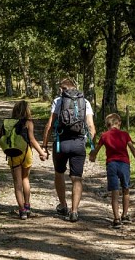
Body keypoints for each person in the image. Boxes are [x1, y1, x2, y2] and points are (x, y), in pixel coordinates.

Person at [42, 78, 96, 222]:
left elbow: (49, 125)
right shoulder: (85, 102)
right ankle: (74, 211)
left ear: (62, 89)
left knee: (59, 173)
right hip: (78, 143)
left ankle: (63, 205)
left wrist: (45, 146)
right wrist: (87, 143)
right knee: (76, 178)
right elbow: (91, 127)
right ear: (74, 87)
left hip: (61, 143)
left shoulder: (58, 101)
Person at [0, 100, 47, 219]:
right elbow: (31, 139)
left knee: (17, 182)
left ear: (14, 110)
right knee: (26, 179)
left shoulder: (8, 122)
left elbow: (1, 131)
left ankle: (22, 210)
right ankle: (27, 205)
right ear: (27, 111)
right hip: (26, 153)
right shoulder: (29, 122)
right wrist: (42, 153)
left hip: (13, 153)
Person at [89, 113, 135, 228]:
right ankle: (124, 215)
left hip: (111, 165)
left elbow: (96, 150)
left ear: (107, 124)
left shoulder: (104, 135)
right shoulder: (125, 134)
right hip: (124, 164)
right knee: (126, 189)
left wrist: (92, 156)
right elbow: (133, 149)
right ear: (119, 123)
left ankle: (116, 219)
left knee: (114, 191)